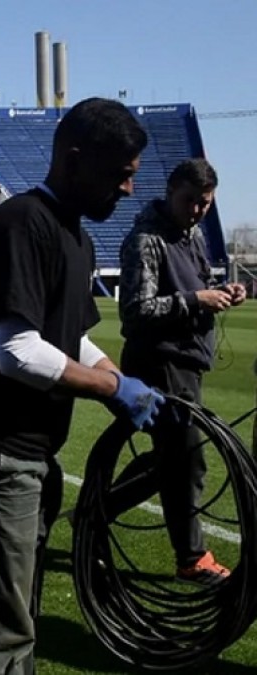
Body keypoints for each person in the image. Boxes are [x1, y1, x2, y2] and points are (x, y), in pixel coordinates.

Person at [0, 97, 164, 675]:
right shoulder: (22, 224)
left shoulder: (74, 237)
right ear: (75, 160)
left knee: (18, 612)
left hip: (29, 451)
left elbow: (70, 339)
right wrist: (111, 390)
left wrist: (121, 377)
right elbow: (17, 352)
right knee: (3, 622)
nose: (128, 189)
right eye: (120, 174)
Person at [115, 158, 244, 585]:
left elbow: (193, 291)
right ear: (170, 192)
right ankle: (191, 558)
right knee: (187, 461)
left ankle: (95, 510)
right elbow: (135, 311)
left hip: (186, 362)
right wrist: (196, 300)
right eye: (190, 201)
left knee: (168, 460)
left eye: (204, 204)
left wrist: (220, 294)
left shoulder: (193, 235)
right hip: (160, 362)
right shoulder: (146, 241)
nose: (197, 211)